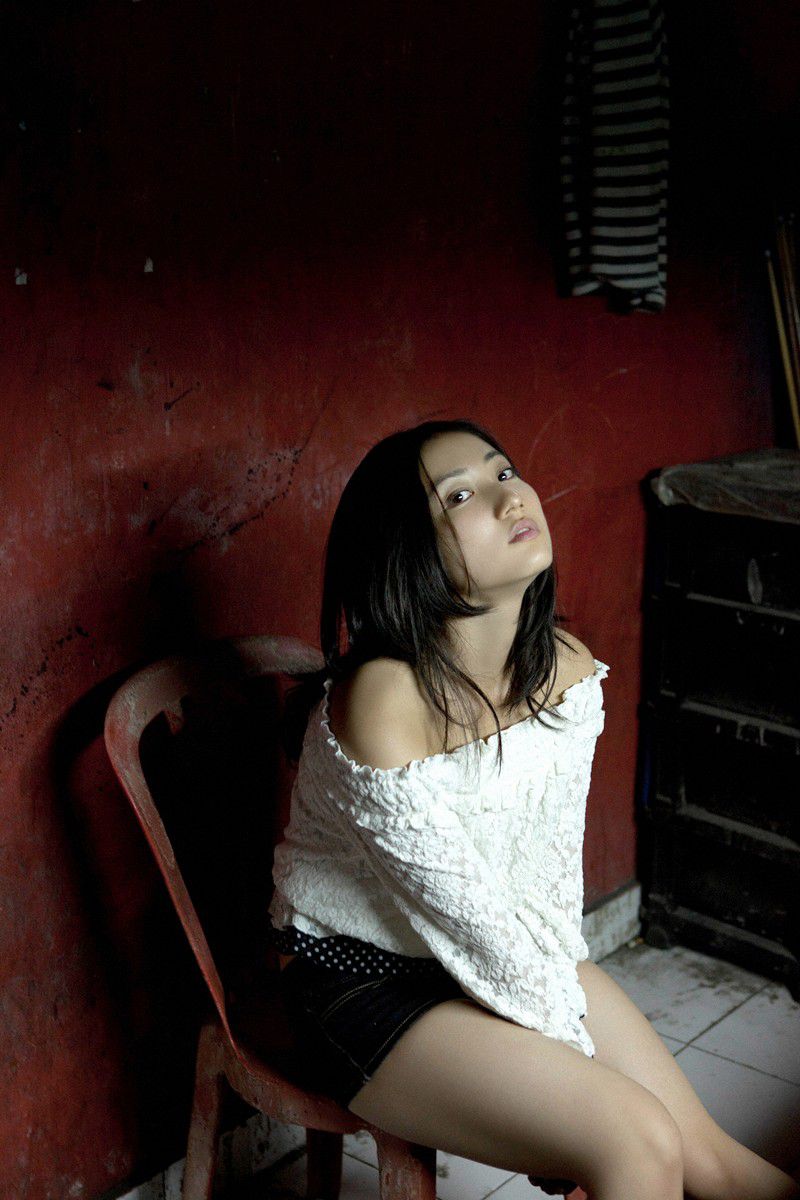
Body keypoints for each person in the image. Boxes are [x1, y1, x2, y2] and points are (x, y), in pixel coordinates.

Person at [268, 418, 799, 1200]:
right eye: (460, 496)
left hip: (498, 947)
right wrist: (572, 1071)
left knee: (709, 1157)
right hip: (357, 978)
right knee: (635, 1139)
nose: (508, 496)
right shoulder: (384, 700)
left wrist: (570, 1049)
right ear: (408, 552)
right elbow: (468, 922)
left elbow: (546, 886)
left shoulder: (566, 672)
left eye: (504, 472)